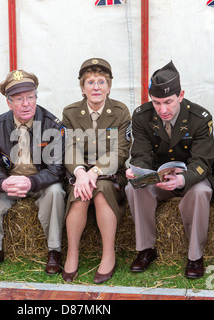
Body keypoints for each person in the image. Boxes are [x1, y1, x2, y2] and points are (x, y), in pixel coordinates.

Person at [126, 61, 214, 279]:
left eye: (168, 102)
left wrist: (182, 180)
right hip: (159, 179)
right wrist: (139, 173)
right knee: (132, 188)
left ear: (180, 95)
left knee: (201, 192)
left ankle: (195, 257)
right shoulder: (141, 116)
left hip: (191, 179)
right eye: (156, 103)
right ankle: (146, 249)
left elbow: (203, 162)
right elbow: (141, 154)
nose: (162, 110)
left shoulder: (200, 118)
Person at [0, 69, 66, 274]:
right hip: (10, 181)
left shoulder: (52, 125)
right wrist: (2, 183)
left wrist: (32, 183)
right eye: (19, 99)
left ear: (36, 98)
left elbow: (57, 168)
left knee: (55, 192)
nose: (26, 103)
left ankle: (54, 250)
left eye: (30, 97)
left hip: (41, 181)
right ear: (9, 103)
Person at [62, 58, 132, 284]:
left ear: (109, 86)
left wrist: (95, 172)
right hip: (80, 174)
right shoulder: (71, 112)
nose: (96, 87)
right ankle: (72, 254)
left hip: (111, 174)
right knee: (80, 192)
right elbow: (69, 147)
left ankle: (108, 255)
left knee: (100, 188)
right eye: (90, 82)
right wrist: (81, 173)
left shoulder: (120, 112)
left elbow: (121, 150)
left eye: (101, 82)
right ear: (82, 88)